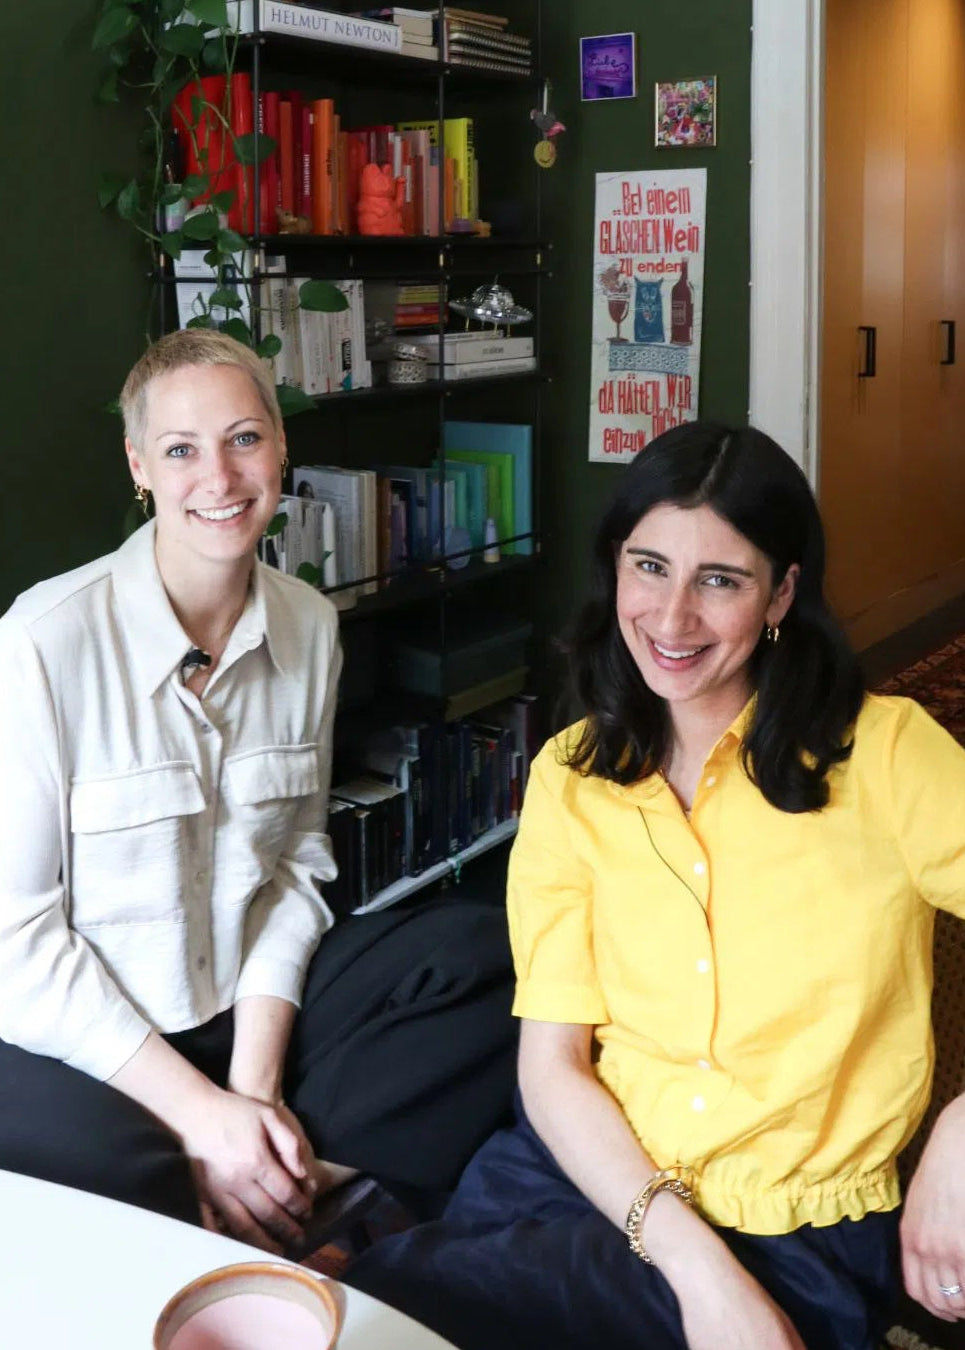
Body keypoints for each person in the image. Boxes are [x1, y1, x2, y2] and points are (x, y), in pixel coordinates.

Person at [345, 421, 965, 1350]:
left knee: (399, 1308)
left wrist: (961, 1131)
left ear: (780, 595)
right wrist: (692, 1266)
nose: (671, 619)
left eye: (719, 580)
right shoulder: (569, 774)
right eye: (649, 567)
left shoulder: (883, 754)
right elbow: (552, 1067)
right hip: (584, 1172)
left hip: (793, 1229)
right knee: (387, 1312)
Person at [0, 328, 516, 1253]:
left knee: (490, 955)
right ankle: (284, 1190)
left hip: (245, 1010)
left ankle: (260, 1180)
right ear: (139, 467)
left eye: (244, 439)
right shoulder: (41, 643)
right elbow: (18, 946)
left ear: (282, 448)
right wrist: (196, 1113)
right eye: (181, 449)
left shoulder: (309, 624)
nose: (221, 478)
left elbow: (296, 867)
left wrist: (252, 1086)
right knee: (106, 1167)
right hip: (93, 1041)